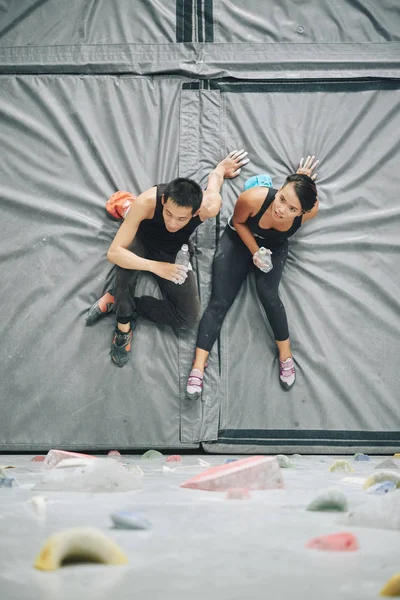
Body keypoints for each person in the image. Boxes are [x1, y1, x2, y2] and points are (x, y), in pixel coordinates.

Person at [86, 150, 250, 367]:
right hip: (142, 240)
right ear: (164, 201)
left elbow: (214, 185)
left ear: (195, 212)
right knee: (124, 263)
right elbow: (114, 252)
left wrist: (220, 169)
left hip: (173, 251)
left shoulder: (209, 207)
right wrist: (156, 267)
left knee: (189, 318)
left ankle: (117, 300)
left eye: (181, 218)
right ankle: (123, 322)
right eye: (168, 214)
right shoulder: (147, 202)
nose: (173, 223)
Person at [186, 155, 319, 398]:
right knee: (219, 300)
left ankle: (285, 355)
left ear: (302, 211)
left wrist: (303, 184)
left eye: (292, 209)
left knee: (268, 293)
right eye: (281, 199)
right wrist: (255, 251)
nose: (281, 210)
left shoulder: (308, 213)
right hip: (239, 237)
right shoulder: (253, 197)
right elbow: (238, 222)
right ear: (277, 190)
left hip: (275, 245)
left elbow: (301, 200)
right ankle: (197, 367)